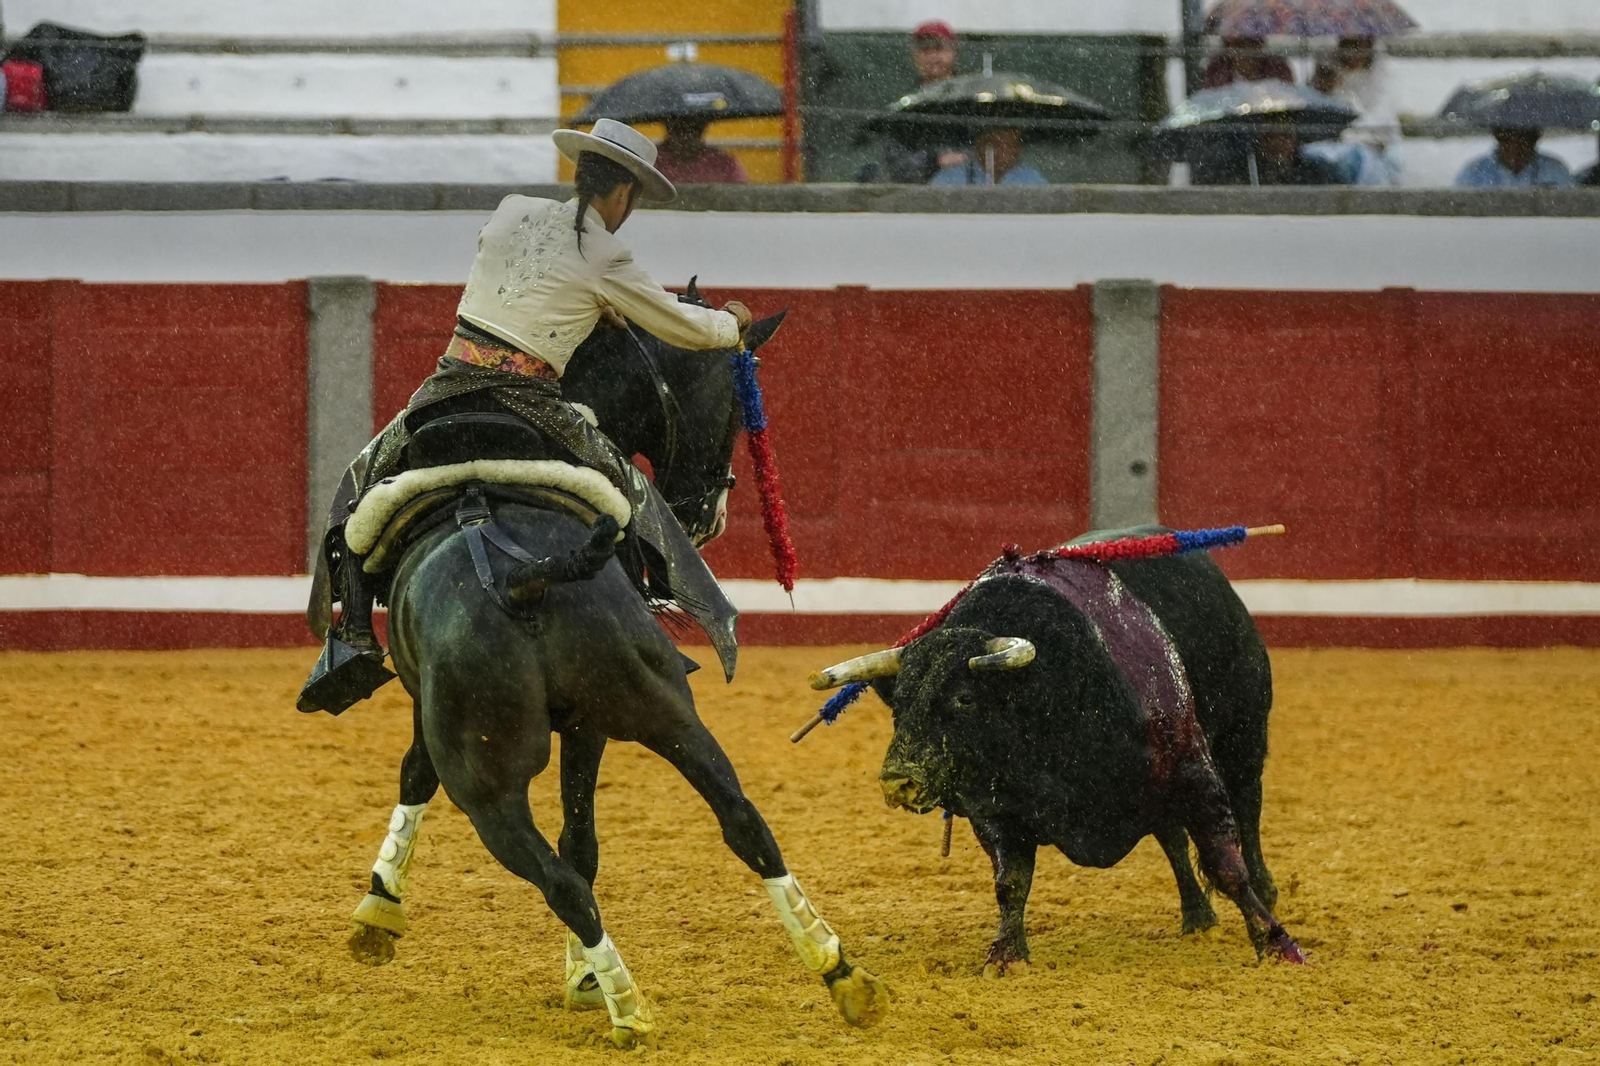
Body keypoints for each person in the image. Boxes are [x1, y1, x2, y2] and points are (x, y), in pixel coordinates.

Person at [301, 118, 752, 711]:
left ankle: (353, 633)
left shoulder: (511, 211)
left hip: (446, 388)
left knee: (360, 481)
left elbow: (517, 275)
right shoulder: (606, 254)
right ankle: (646, 620)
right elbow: (684, 327)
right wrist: (732, 322)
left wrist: (584, 301)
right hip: (528, 401)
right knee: (634, 493)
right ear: (625, 192)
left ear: (581, 174)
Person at [877, 20, 969, 184]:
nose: (932, 56)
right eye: (925, 49)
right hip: (920, 193)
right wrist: (935, 161)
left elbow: (988, 152)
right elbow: (899, 166)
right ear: (915, 55)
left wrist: (964, 158)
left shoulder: (972, 99)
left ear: (954, 52)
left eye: (939, 48)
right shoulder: (905, 106)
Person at [1456, 128, 1574, 188]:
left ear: (1533, 140)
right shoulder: (1474, 171)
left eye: (1523, 139)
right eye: (1508, 139)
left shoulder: (1554, 169)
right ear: (1498, 138)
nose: (1515, 146)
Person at [928, 127, 1047, 185]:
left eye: (1008, 145)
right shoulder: (952, 176)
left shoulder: (1031, 178)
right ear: (979, 145)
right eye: (993, 144)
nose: (999, 151)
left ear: (1018, 149)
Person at [653, 115, 749, 185]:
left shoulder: (723, 163)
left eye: (694, 130)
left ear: (702, 131)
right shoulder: (653, 160)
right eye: (679, 130)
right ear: (669, 131)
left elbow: (741, 192)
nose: (687, 137)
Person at [1201, 36, 1295, 89]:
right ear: (1228, 46)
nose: (1245, 48)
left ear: (1261, 44)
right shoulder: (1216, 70)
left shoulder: (1278, 68)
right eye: (1239, 44)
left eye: (1252, 42)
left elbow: (1289, 99)